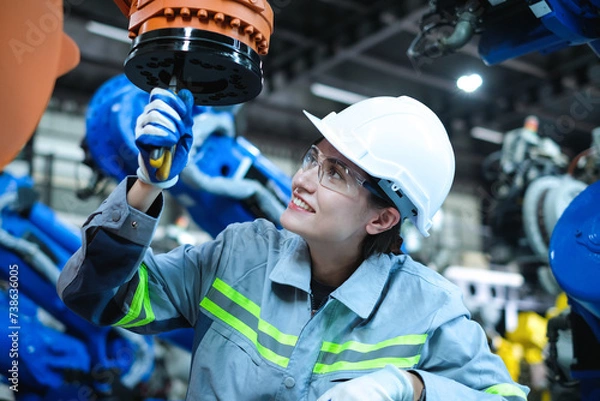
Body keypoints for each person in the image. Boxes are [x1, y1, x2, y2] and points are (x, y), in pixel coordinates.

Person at [58, 87, 530, 401]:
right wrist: (147, 186)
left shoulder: (429, 309)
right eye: (312, 158)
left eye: (334, 174)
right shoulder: (239, 255)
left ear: (383, 217)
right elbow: (95, 297)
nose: (301, 179)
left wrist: (409, 386)